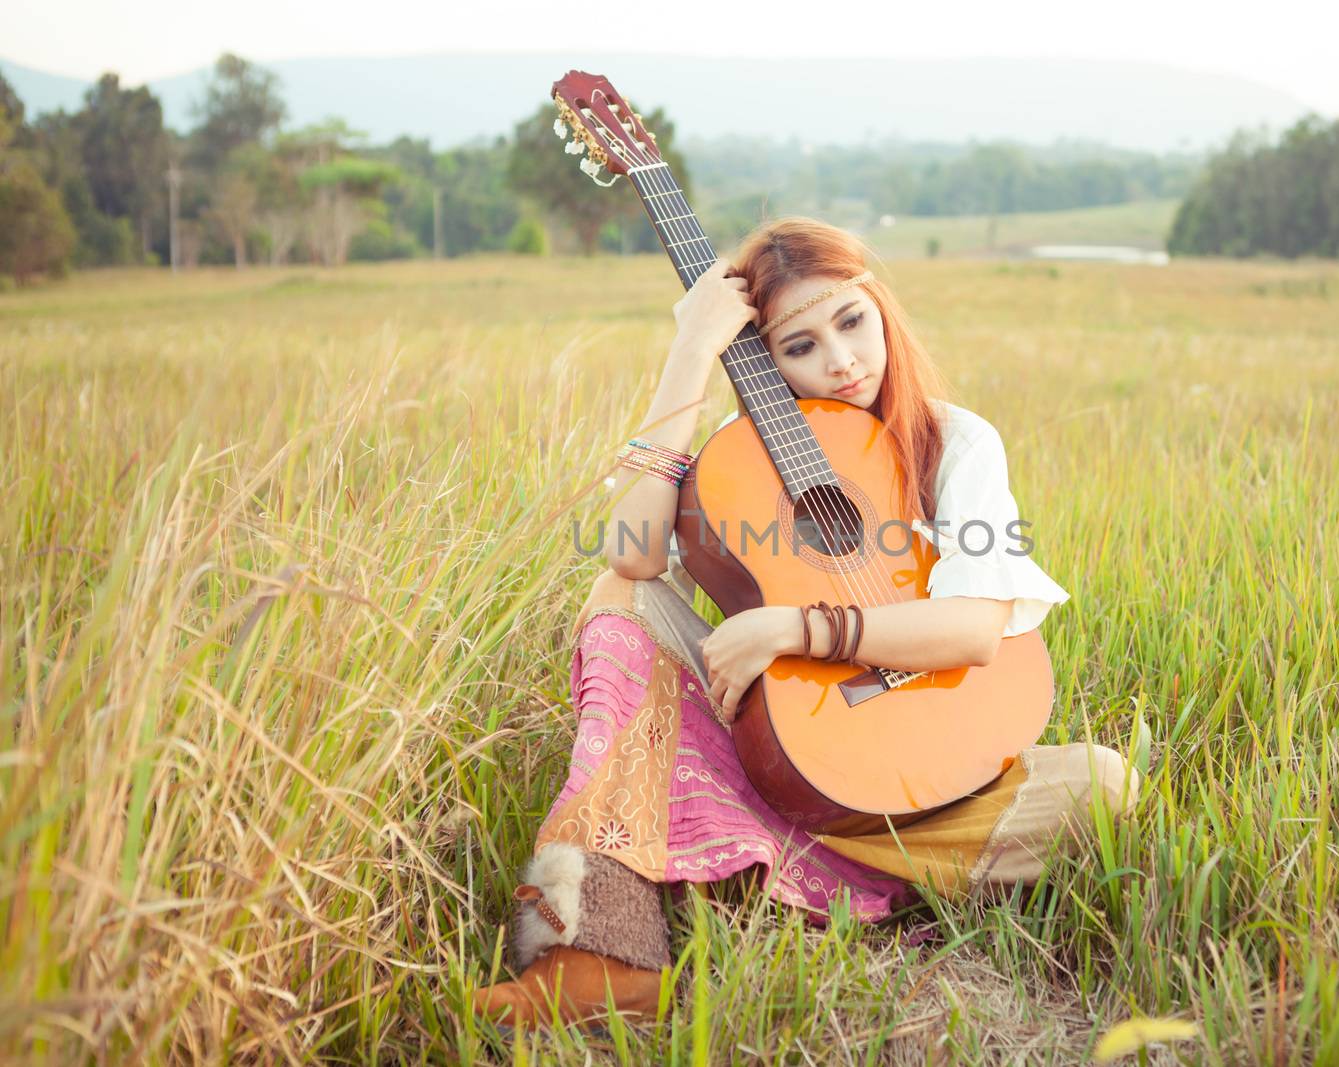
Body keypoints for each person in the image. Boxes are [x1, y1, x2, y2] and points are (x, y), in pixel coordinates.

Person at [469, 218, 1141, 1030]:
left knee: (1106, 784)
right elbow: (633, 552)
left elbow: (971, 630)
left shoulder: (951, 440)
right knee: (621, 594)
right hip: (783, 750)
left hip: (935, 762)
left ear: (879, 305)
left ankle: (757, 862)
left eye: (851, 321)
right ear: (763, 357)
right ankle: (601, 951)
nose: (842, 361)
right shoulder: (734, 455)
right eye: (800, 346)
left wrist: (799, 627)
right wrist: (688, 353)